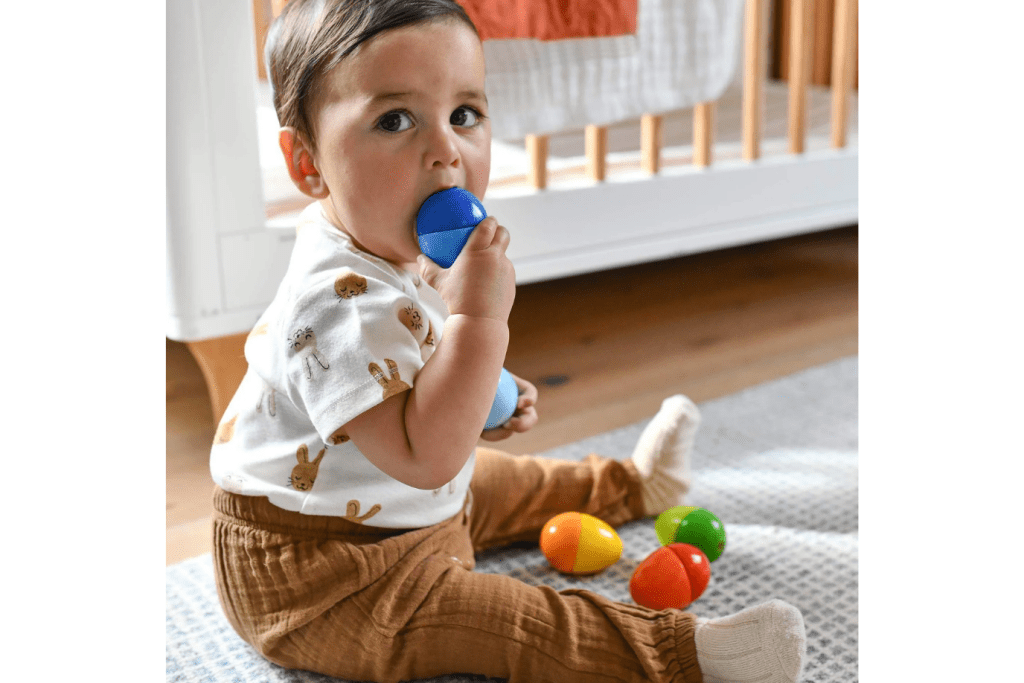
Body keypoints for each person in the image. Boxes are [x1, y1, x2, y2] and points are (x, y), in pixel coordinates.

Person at [209, 1, 807, 681]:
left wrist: (479, 396)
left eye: (464, 114)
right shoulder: (332, 304)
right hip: (324, 574)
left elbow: (414, 379)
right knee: (506, 622)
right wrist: (479, 321)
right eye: (395, 120)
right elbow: (427, 456)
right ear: (307, 162)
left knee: (507, 479)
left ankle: (635, 485)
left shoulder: (383, 245)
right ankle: (684, 654)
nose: (446, 150)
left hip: (394, 501)